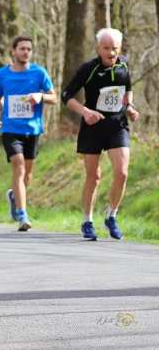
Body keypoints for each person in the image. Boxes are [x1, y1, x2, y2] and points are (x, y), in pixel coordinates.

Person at [61, 28, 139, 241]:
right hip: (92, 126)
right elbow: (66, 95)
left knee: (122, 173)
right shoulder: (89, 68)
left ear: (120, 48)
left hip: (117, 125)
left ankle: (111, 216)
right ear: (98, 48)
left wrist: (130, 106)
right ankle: (87, 221)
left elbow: (128, 86)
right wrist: (85, 112)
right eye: (106, 48)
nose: (111, 53)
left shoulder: (124, 63)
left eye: (114, 48)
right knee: (93, 177)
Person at [0, 35, 57, 231]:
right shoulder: (1, 74)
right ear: (13, 51)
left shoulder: (39, 73)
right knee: (18, 167)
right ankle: (23, 215)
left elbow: (54, 98)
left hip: (33, 129)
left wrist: (41, 96)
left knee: (27, 176)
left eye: (29, 49)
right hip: (11, 129)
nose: (26, 52)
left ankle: (14, 196)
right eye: (22, 48)